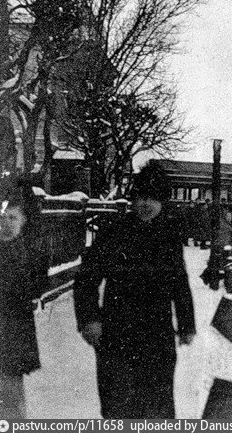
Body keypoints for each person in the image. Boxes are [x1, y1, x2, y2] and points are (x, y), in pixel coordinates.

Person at [74, 161, 196, 418]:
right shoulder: (114, 232)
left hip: (157, 339)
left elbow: (179, 284)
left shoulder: (168, 236)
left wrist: (187, 325)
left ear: (163, 202)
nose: (147, 204)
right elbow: (86, 278)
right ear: (133, 199)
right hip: (117, 337)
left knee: (157, 410)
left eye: (154, 198)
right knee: (118, 409)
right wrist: (89, 319)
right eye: (141, 197)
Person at [0, 190, 43, 419]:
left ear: (24, 220)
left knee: (10, 388)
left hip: (10, 332)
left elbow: (34, 285)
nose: (5, 224)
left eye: (12, 218)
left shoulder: (25, 253)